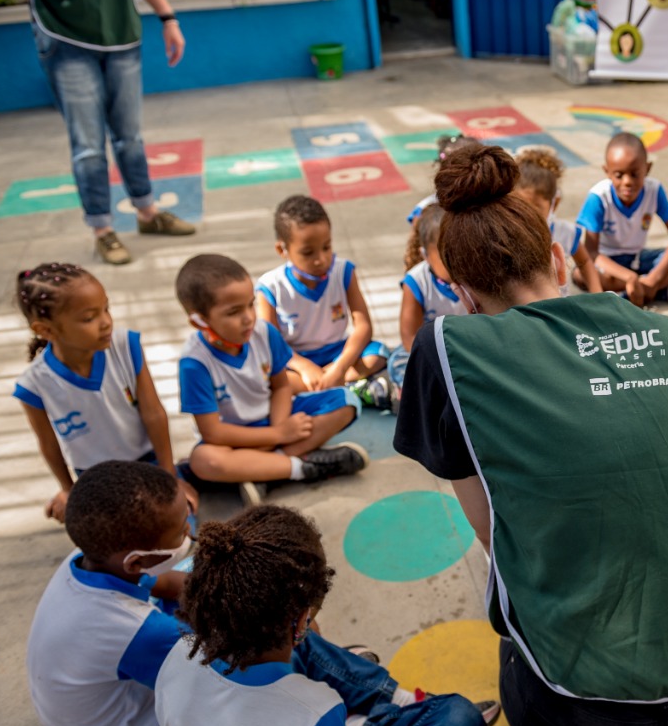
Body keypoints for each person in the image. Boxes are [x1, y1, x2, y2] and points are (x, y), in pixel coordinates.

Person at [394, 145, 668, 726]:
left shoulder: (449, 353)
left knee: (529, 632)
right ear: (560, 258)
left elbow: (495, 537)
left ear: (461, 293)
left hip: (579, 714)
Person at [155, 504, 495, 726]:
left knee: (273, 635)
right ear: (305, 617)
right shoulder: (313, 714)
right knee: (459, 716)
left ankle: (378, 713)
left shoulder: (176, 656)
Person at [0, 0, 197, 265]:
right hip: (64, 36)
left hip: (120, 31)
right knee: (88, 144)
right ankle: (103, 230)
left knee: (130, 136)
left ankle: (148, 213)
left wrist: (167, 17)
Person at [25, 460, 192, 726]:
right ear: (136, 561)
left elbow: (167, 583)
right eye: (182, 528)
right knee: (260, 673)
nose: (190, 532)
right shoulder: (137, 630)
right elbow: (230, 672)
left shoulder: (90, 559)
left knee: (198, 574)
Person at [175, 254, 368, 506]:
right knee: (204, 460)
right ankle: (300, 468)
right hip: (233, 439)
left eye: (250, 304)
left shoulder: (264, 332)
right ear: (199, 321)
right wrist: (278, 434)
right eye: (234, 311)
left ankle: (262, 471)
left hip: (273, 418)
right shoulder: (194, 364)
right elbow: (213, 433)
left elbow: (280, 386)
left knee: (346, 401)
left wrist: (282, 428)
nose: (248, 317)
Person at [11, 261, 193, 523]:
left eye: (106, 309)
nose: (106, 322)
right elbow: (49, 445)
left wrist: (169, 477)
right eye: (89, 318)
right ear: (46, 330)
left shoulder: (125, 345)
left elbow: (153, 413)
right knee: (112, 541)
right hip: (94, 481)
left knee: (173, 525)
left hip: (148, 464)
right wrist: (69, 491)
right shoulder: (33, 385)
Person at [256, 195, 390, 409]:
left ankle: (319, 387)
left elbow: (363, 326)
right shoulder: (270, 286)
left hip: (338, 353)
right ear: (282, 250)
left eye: (327, 247)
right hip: (295, 360)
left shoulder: (343, 271)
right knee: (265, 377)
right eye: (308, 253)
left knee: (378, 355)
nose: (321, 259)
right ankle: (342, 386)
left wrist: (339, 367)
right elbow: (270, 343)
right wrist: (304, 366)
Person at [577, 132, 668, 307]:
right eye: (619, 175)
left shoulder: (654, 190)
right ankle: (656, 290)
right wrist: (629, 277)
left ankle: (635, 292)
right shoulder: (598, 197)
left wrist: (654, 277)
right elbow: (591, 252)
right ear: (607, 171)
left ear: (647, 169)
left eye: (635, 174)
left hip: (639, 258)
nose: (627, 182)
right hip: (609, 263)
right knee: (579, 273)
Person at [391, 203, 467, 392]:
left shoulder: (473, 274)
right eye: (444, 257)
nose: (453, 262)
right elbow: (409, 337)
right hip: (430, 353)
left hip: (467, 349)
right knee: (398, 363)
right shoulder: (416, 282)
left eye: (457, 252)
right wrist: (434, 364)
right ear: (425, 255)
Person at [514, 147, 602, 293]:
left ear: (555, 204)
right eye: (520, 206)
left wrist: (599, 294)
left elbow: (585, 261)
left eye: (536, 208)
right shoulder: (506, 234)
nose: (527, 215)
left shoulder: (565, 233)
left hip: (558, 310)